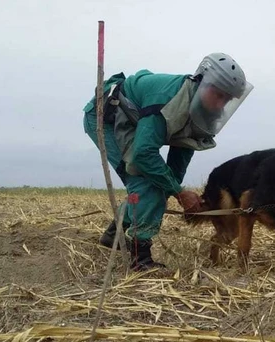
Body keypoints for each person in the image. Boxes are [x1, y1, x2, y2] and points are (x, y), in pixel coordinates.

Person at [82, 52, 253, 271]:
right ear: (202, 82)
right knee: (146, 183)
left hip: (135, 122)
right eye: (218, 95)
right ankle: (139, 258)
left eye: (227, 99)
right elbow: (143, 154)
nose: (221, 104)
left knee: (160, 184)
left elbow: (181, 155)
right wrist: (179, 191)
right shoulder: (169, 99)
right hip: (106, 118)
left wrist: (174, 189)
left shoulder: (204, 112)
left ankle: (113, 235)